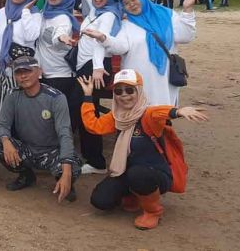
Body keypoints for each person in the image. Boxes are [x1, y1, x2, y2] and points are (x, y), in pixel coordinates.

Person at [77, 70, 209, 230]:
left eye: (129, 90)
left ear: (139, 90)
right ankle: (134, 195)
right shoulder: (117, 117)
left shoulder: (147, 115)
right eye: (118, 91)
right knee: (100, 200)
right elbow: (93, 126)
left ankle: (153, 211)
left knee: (138, 174)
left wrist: (177, 111)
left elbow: (159, 112)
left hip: (155, 173)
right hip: (128, 171)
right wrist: (88, 96)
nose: (124, 95)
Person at [0, 56, 81, 202]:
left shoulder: (56, 98)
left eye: (27, 71)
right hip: (28, 149)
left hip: (51, 151)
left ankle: (64, 181)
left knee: (73, 165)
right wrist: (6, 142)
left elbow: (65, 134)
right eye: (18, 72)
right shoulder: (12, 96)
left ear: (39, 72)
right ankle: (26, 175)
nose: (23, 76)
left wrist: (67, 173)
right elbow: (2, 125)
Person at [83, 0, 198, 106]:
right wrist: (103, 38)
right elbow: (121, 47)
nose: (131, 4)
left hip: (164, 79)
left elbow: (185, 36)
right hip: (137, 80)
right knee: (138, 114)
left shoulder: (167, 15)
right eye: (126, 3)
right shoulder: (126, 24)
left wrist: (187, 10)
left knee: (162, 112)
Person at [72, 0, 123, 174]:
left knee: (87, 111)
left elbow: (101, 44)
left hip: (95, 69)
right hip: (87, 66)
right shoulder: (95, 11)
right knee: (83, 109)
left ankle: (96, 161)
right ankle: (90, 156)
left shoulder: (109, 16)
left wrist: (97, 68)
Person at [35, 0, 83, 145]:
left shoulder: (62, 18)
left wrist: (62, 38)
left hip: (61, 77)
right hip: (46, 74)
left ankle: (63, 155)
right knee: (47, 116)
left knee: (58, 119)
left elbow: (58, 35)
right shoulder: (45, 13)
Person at [0, 0, 41, 125]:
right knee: (0, 108)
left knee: (21, 111)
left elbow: (31, 36)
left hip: (23, 70)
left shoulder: (34, 14)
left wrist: (25, 12)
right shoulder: (1, 13)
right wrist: (3, 54)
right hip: (2, 68)